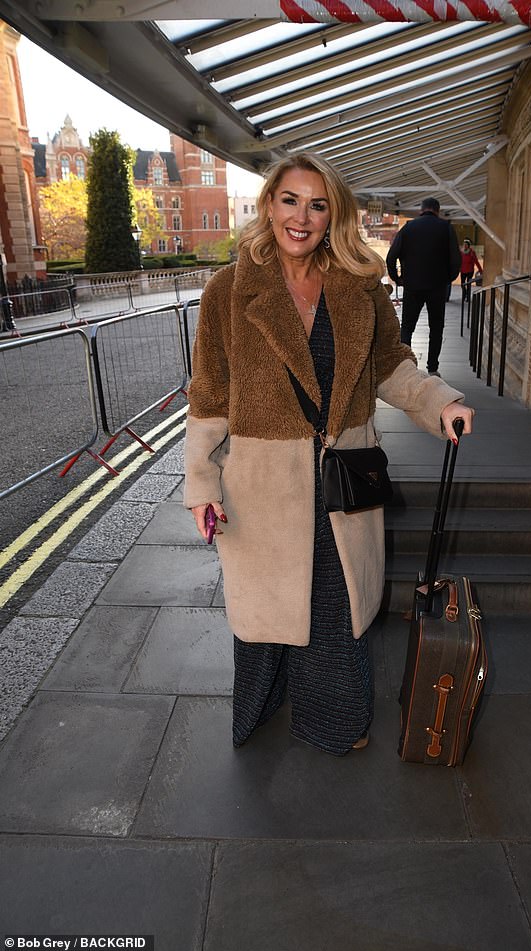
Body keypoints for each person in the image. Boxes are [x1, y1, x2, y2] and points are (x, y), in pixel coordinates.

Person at [184, 153, 474, 756]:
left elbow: (392, 367)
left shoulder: (358, 288)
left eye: (318, 205)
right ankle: (261, 708)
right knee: (268, 612)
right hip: (264, 483)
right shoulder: (228, 292)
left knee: (336, 604)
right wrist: (202, 483)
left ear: (332, 217)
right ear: (269, 206)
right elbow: (210, 393)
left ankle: (334, 722)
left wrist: (440, 401)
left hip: (344, 473)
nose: (302, 217)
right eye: (290, 200)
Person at [386, 197, 461, 376]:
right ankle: (433, 368)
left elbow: (391, 257)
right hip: (437, 286)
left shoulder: (409, 228)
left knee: (407, 327)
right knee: (436, 327)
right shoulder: (446, 228)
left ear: (421, 209)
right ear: (438, 210)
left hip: (412, 286)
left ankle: (406, 367)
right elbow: (456, 260)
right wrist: (447, 279)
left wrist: (398, 279)